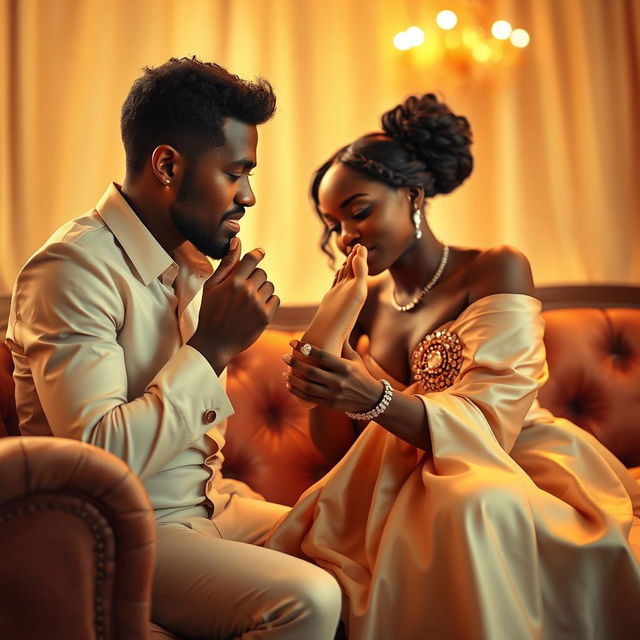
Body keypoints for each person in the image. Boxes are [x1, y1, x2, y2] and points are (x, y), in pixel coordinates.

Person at [266, 93, 640, 639]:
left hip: (514, 459)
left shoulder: (495, 267)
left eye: (359, 211)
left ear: (412, 196)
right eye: (333, 225)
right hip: (402, 477)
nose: (346, 237)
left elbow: (492, 422)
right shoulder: (364, 301)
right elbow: (340, 452)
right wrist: (331, 334)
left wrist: (372, 398)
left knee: (471, 504)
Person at [5, 57, 342, 639]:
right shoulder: (72, 270)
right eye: (236, 173)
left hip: (211, 506)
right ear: (167, 165)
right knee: (306, 598)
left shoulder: (188, 260)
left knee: (359, 547)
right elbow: (98, 459)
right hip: (116, 528)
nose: (249, 196)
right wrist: (211, 348)